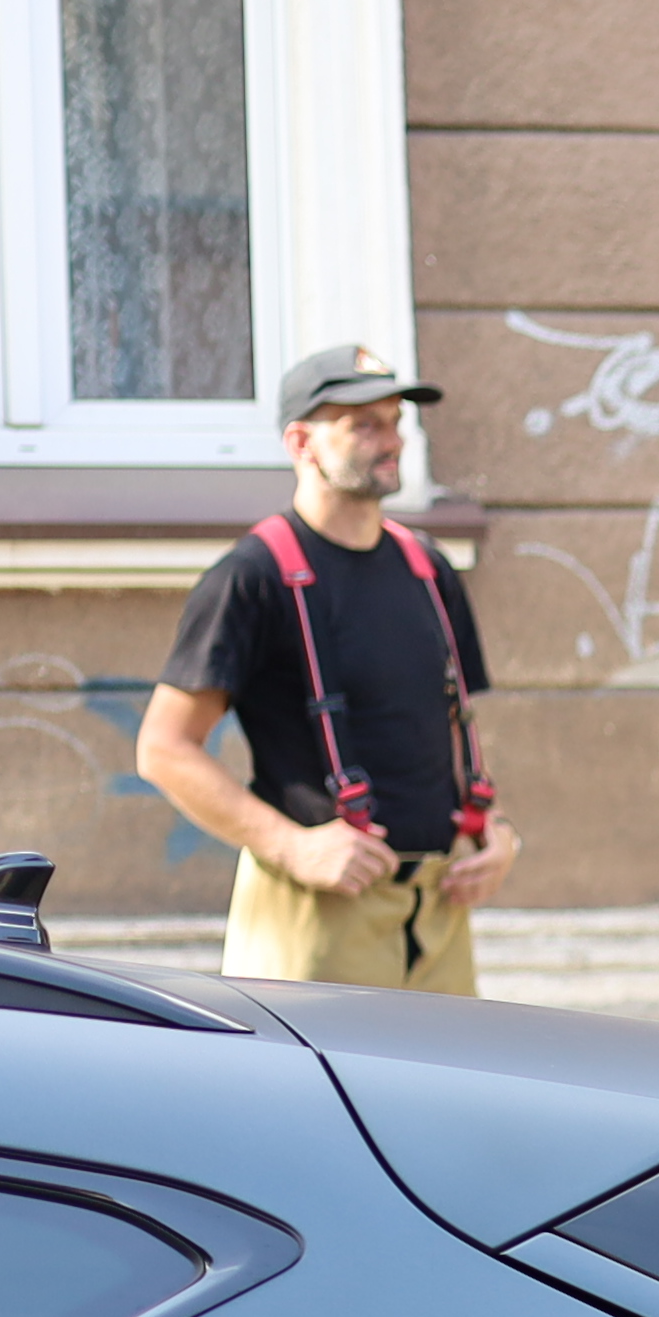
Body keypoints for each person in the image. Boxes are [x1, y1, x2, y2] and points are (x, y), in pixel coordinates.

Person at [137, 346, 518, 989]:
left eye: (395, 422)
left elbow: (446, 728)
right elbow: (163, 750)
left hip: (438, 909)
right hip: (314, 915)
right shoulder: (252, 578)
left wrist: (497, 832)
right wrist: (293, 847)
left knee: (452, 1063)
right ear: (301, 442)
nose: (392, 441)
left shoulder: (428, 569)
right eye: (363, 425)